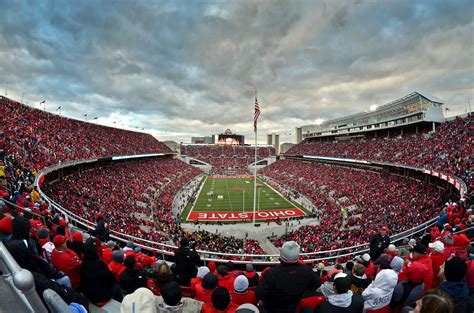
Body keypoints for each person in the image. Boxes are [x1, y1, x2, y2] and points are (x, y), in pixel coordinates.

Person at [255, 241, 319, 313]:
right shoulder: (306, 270)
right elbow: (317, 284)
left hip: (273, 309)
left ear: (281, 256)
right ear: (298, 256)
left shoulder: (271, 273)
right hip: (293, 307)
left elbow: (258, 293)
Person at [80, 239, 122, 304]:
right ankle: (120, 303)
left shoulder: (84, 263)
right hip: (98, 297)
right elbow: (111, 280)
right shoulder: (99, 264)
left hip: (87, 293)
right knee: (117, 286)